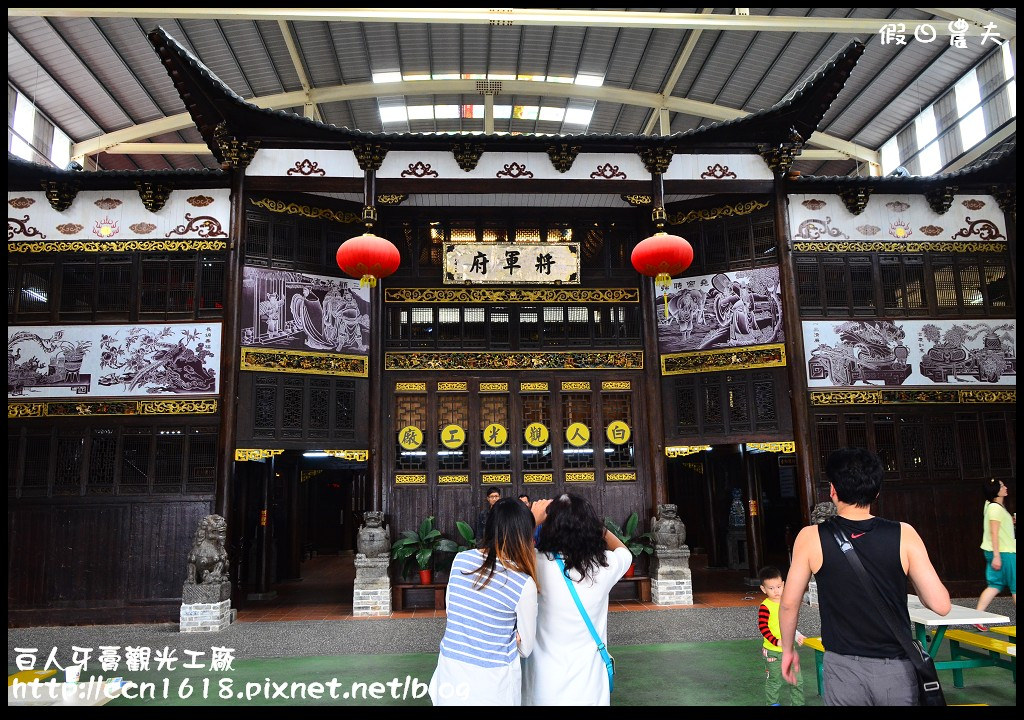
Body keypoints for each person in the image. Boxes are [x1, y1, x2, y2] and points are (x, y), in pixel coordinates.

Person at [779, 447, 951, 706]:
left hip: (843, 667)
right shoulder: (904, 534)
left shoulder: (811, 537)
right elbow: (940, 605)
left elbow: (789, 603)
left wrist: (788, 650)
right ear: (876, 492)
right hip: (896, 669)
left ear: (833, 491)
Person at [523, 493, 632, 706]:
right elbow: (624, 552)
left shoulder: (534, 563)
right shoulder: (604, 565)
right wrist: (595, 525)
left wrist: (531, 520)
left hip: (543, 687)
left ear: (548, 527)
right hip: (590, 690)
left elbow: (506, 554)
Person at [428, 498, 539, 705]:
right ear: (525, 535)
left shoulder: (461, 560)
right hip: (493, 686)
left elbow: (453, 612)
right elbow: (525, 649)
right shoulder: (523, 583)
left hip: (450, 673)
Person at [757, 566, 805, 707]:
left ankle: (798, 704)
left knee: (797, 680)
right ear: (763, 589)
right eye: (771, 588)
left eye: (778, 586)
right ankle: (773, 704)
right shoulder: (765, 607)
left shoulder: (787, 603)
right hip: (773, 652)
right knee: (774, 681)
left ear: (783, 584)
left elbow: (790, 624)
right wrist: (775, 641)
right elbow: (763, 627)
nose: (776, 591)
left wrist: (797, 635)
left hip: (789, 649)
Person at [973, 478, 1016, 631]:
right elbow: (994, 532)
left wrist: (1009, 520)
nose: (1005, 487)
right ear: (996, 491)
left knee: (994, 585)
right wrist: (997, 556)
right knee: (1015, 587)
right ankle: (977, 616)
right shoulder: (995, 509)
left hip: (996, 552)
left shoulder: (991, 506)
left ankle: (977, 616)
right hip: (1004, 553)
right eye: (1002, 485)